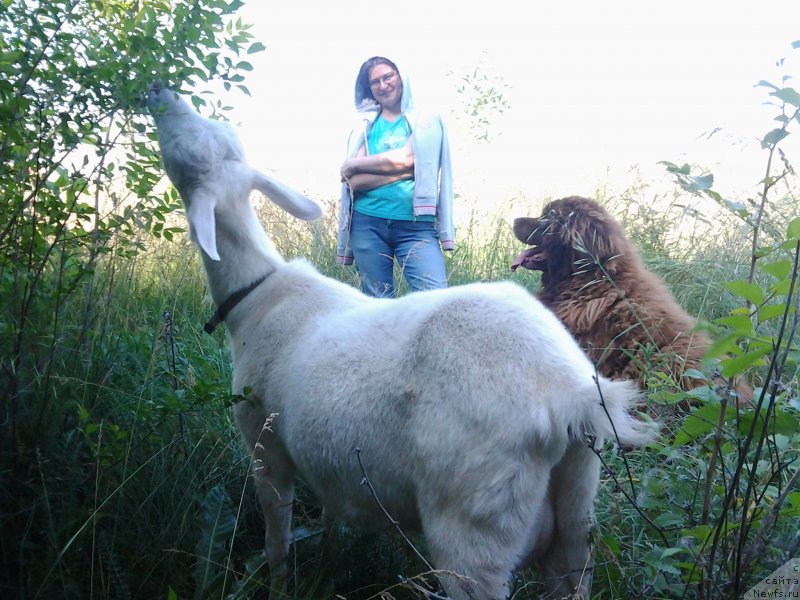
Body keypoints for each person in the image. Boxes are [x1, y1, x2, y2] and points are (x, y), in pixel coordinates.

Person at [337, 56, 455, 298]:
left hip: (415, 227)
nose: (383, 85)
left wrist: (353, 164)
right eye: (375, 82)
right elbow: (355, 182)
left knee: (436, 300)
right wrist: (405, 171)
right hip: (367, 223)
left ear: (402, 77)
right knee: (377, 304)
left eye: (388, 76)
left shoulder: (424, 119)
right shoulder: (365, 125)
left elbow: (406, 159)